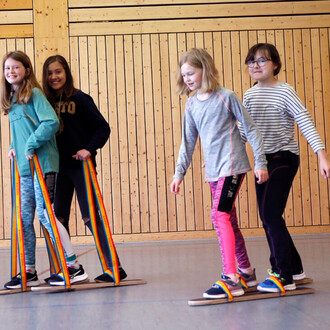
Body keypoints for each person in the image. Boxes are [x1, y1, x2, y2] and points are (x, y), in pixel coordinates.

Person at [170, 48, 269, 299]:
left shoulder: (226, 96)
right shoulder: (191, 104)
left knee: (219, 215)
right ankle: (246, 271)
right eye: (184, 76)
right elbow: (188, 143)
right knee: (228, 219)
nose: (188, 79)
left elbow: (251, 129)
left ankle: (231, 277)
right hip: (213, 171)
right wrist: (178, 173)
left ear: (205, 68)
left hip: (233, 167)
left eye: (191, 73)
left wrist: (261, 162)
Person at [240, 43, 330, 293]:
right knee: (270, 216)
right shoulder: (249, 95)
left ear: (275, 64)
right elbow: (243, 130)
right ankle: (296, 269)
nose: (255, 66)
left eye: (262, 60)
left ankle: (283, 275)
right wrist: (224, 155)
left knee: (269, 215)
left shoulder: (285, 91)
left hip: (284, 158)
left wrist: (322, 155)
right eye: (251, 61)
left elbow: (304, 120)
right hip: (262, 162)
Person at [1, 51, 88, 289]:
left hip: (44, 164)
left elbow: (51, 122)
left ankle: (74, 266)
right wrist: (13, 146)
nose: (11, 72)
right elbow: (23, 130)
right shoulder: (12, 98)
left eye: (16, 67)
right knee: (23, 218)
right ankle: (29, 270)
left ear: (27, 70)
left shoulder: (35, 94)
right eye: (7, 68)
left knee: (45, 214)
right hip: (25, 166)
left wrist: (29, 144)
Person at [42, 55, 127, 284]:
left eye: (58, 72)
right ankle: (63, 269)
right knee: (56, 219)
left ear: (66, 73)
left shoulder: (80, 98)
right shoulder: (45, 102)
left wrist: (89, 149)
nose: (54, 77)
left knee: (91, 217)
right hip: (57, 169)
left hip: (81, 167)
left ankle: (113, 268)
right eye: (49, 73)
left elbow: (102, 128)